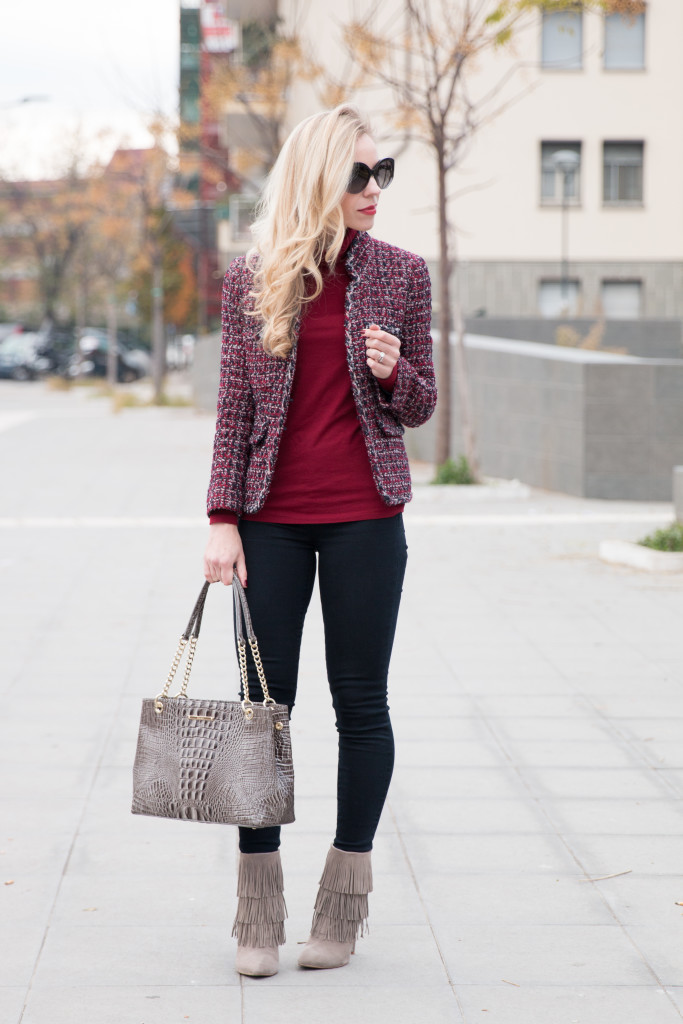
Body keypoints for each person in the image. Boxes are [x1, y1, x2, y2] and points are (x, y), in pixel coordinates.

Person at [203, 104, 436, 977]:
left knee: (361, 707)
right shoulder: (252, 278)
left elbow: (421, 404)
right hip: (269, 521)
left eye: (383, 174)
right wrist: (221, 519)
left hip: (366, 519)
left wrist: (393, 370)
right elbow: (234, 411)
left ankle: (340, 910)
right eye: (357, 176)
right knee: (263, 715)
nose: (374, 190)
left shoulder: (402, 275)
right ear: (317, 180)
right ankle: (257, 915)